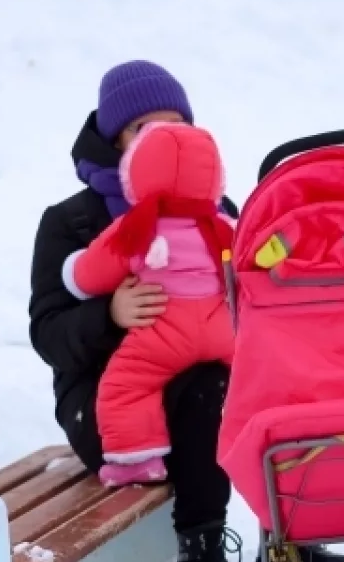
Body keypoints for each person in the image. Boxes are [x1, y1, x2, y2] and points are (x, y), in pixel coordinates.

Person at [27, 59, 344, 562]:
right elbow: (47, 333)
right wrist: (110, 314)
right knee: (210, 388)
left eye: (175, 124)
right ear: (113, 139)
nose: (162, 138)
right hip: (111, 409)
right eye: (141, 128)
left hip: (205, 383)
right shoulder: (72, 223)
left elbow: (253, 297)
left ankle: (290, 538)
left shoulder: (213, 213)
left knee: (269, 380)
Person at [60, 121, 236, 489]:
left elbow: (92, 272)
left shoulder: (137, 227)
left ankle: (137, 460)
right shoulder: (223, 224)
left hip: (163, 334)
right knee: (254, 370)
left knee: (127, 385)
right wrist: (108, 314)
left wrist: (73, 273)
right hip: (220, 330)